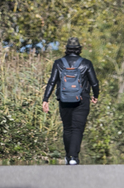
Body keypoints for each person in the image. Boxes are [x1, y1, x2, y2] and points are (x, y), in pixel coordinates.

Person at [42, 37, 100, 165]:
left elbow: (52, 82)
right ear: (79, 49)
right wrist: (95, 95)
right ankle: (73, 157)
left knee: (67, 128)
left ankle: (69, 156)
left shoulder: (58, 63)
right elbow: (94, 83)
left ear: (67, 49)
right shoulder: (86, 63)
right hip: (82, 99)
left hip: (64, 99)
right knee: (77, 128)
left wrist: (45, 99)